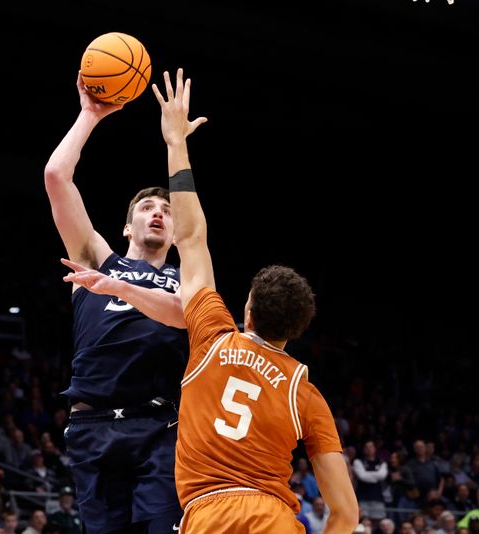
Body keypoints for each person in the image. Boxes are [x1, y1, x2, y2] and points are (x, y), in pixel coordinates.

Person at [150, 67, 358, 533]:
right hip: (275, 518)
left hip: (209, 513)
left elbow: (190, 237)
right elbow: (345, 513)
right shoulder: (306, 394)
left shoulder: (213, 338)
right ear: (296, 330)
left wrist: (175, 143)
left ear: (246, 309)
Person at [45, 70, 189, 532]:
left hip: (160, 426)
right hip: (95, 425)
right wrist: (89, 115)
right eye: (148, 208)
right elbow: (56, 176)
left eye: (167, 210)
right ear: (128, 227)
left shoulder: (187, 281)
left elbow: (191, 320)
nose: (159, 213)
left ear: (175, 229)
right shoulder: (97, 260)